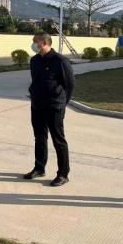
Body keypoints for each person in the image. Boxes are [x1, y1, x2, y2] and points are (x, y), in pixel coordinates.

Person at [24, 33, 74, 187]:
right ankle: (39, 168)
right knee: (39, 137)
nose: (33, 44)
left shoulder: (60, 61)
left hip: (54, 106)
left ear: (45, 43)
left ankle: (63, 174)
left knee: (58, 140)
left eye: (35, 41)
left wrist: (63, 103)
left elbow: (69, 84)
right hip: (37, 105)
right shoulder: (34, 61)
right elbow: (35, 81)